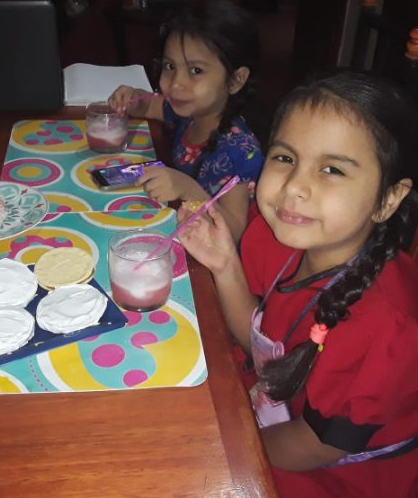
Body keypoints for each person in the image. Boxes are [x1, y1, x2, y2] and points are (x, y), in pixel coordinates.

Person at [177, 71, 418, 497]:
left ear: (388, 199)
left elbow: (316, 445)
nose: (294, 188)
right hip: (271, 406)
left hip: (327, 468)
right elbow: (262, 341)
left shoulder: (388, 328)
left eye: (332, 169)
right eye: (285, 158)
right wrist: (225, 265)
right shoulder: (274, 236)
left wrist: (220, 445)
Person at [108, 0, 263, 241]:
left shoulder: (239, 151)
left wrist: (187, 189)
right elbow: (149, 105)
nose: (176, 84)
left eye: (196, 70)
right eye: (170, 66)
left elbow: (234, 233)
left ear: (235, 80)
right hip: (178, 227)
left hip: (206, 254)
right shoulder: (190, 111)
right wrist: (132, 98)